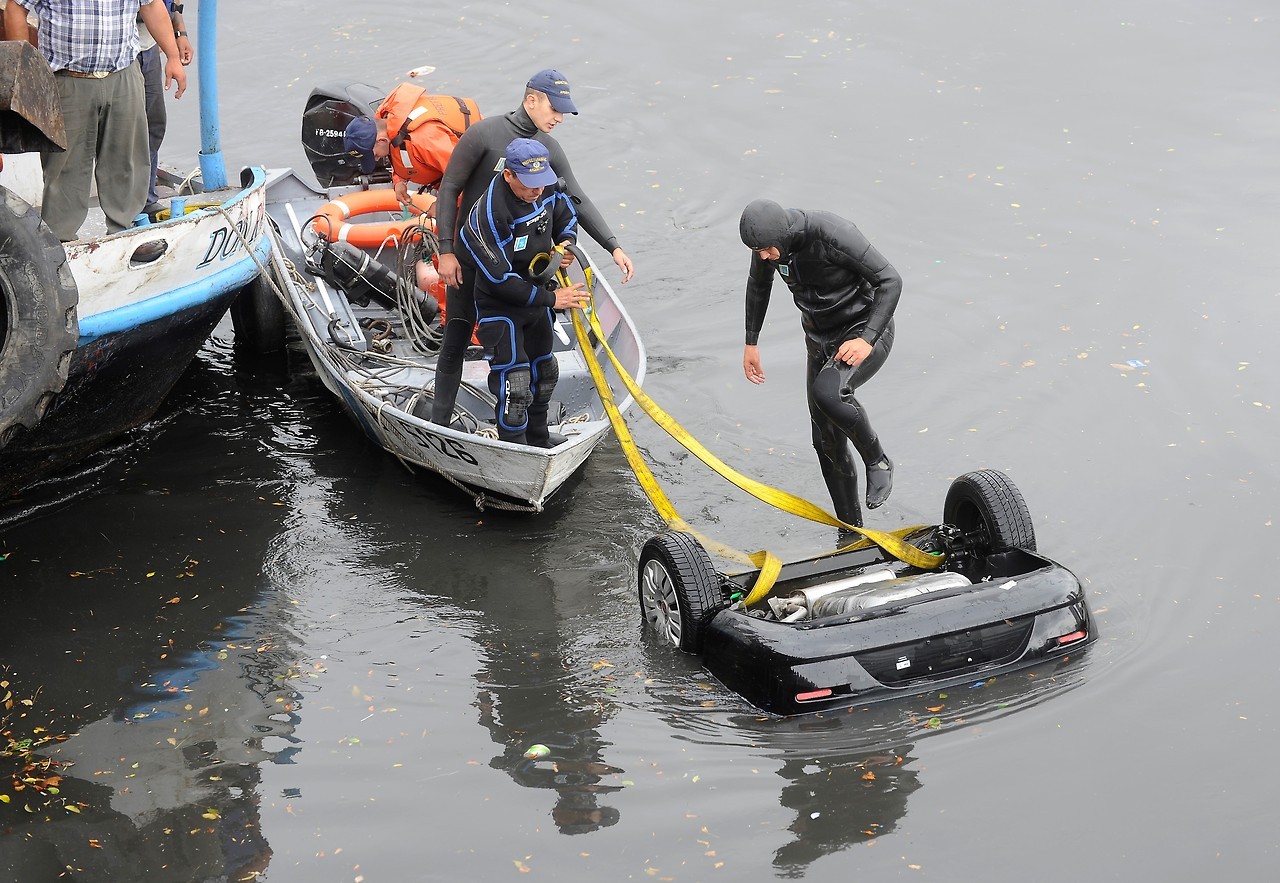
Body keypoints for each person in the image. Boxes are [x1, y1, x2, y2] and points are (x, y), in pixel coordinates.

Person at [430, 68, 634, 426]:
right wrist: (446, 250)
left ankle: (527, 429)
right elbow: (449, 189)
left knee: (526, 356)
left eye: (563, 113)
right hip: (469, 261)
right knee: (457, 339)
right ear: (531, 100)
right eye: (554, 110)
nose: (558, 119)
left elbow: (574, 198)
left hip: (514, 269)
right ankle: (438, 425)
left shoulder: (546, 150)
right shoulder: (483, 135)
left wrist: (612, 246)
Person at [738, 198, 902, 528]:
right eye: (757, 251)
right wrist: (751, 342)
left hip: (864, 329)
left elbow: (890, 280)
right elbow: (759, 285)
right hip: (819, 339)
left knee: (829, 392)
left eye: (767, 250)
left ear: (783, 235)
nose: (763, 257)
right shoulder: (768, 246)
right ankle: (851, 532)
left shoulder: (831, 233)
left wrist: (866, 339)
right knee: (825, 441)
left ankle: (878, 461)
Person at [3, 0, 186, 241]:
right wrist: (25, 68)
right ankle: (62, 243)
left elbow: (151, 6)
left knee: (127, 161)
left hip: (123, 75)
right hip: (66, 80)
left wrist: (172, 55)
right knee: (64, 167)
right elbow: (15, 8)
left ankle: (126, 233)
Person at [458, 138, 589, 447]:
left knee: (545, 374)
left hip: (537, 298)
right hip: (501, 308)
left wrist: (567, 242)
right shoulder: (487, 215)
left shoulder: (545, 187)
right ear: (508, 175)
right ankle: (514, 447)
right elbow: (499, 279)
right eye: (529, 184)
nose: (537, 191)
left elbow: (566, 214)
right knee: (515, 387)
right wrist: (554, 299)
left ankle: (539, 439)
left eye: (541, 183)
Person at [342, 83, 482, 206]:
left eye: (375, 155)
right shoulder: (388, 125)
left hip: (481, 159)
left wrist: (442, 206)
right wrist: (399, 181)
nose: (377, 159)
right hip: (453, 164)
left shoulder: (425, 140)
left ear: (382, 141)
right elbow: (400, 152)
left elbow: (464, 176)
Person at [137, 0, 192, 212]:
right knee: (126, 129)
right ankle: (126, 208)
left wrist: (179, 32)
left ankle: (146, 200)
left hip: (151, 43)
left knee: (154, 125)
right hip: (121, 45)